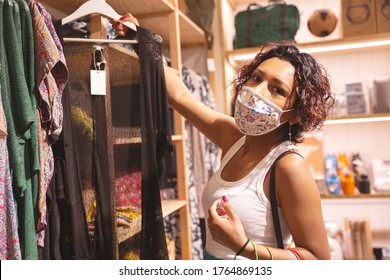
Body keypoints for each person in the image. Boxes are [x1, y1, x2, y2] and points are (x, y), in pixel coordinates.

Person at [113, 14, 334, 260]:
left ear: (295, 114)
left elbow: (318, 259)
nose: (256, 92)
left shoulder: (289, 166)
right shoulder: (233, 136)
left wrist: (244, 247)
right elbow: (180, 96)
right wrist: (143, 40)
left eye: (277, 90)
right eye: (256, 78)